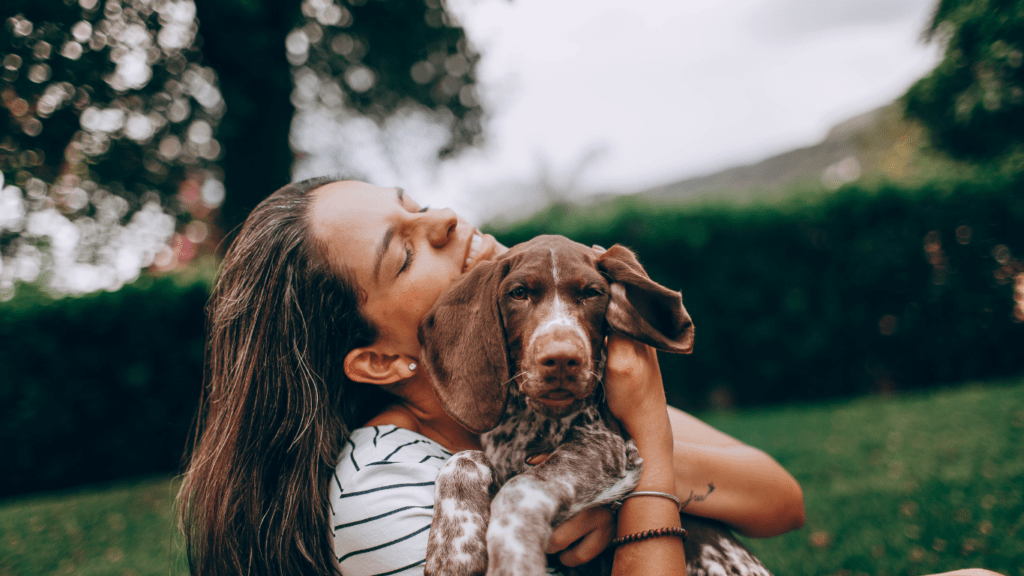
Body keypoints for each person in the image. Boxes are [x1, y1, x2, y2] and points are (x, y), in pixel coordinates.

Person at [182, 177, 1000, 576]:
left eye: (417, 202)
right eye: (409, 248)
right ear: (383, 360)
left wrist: (618, 486)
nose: (447, 220)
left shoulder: (574, 393)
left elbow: (780, 500)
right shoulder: (389, 488)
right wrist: (647, 456)